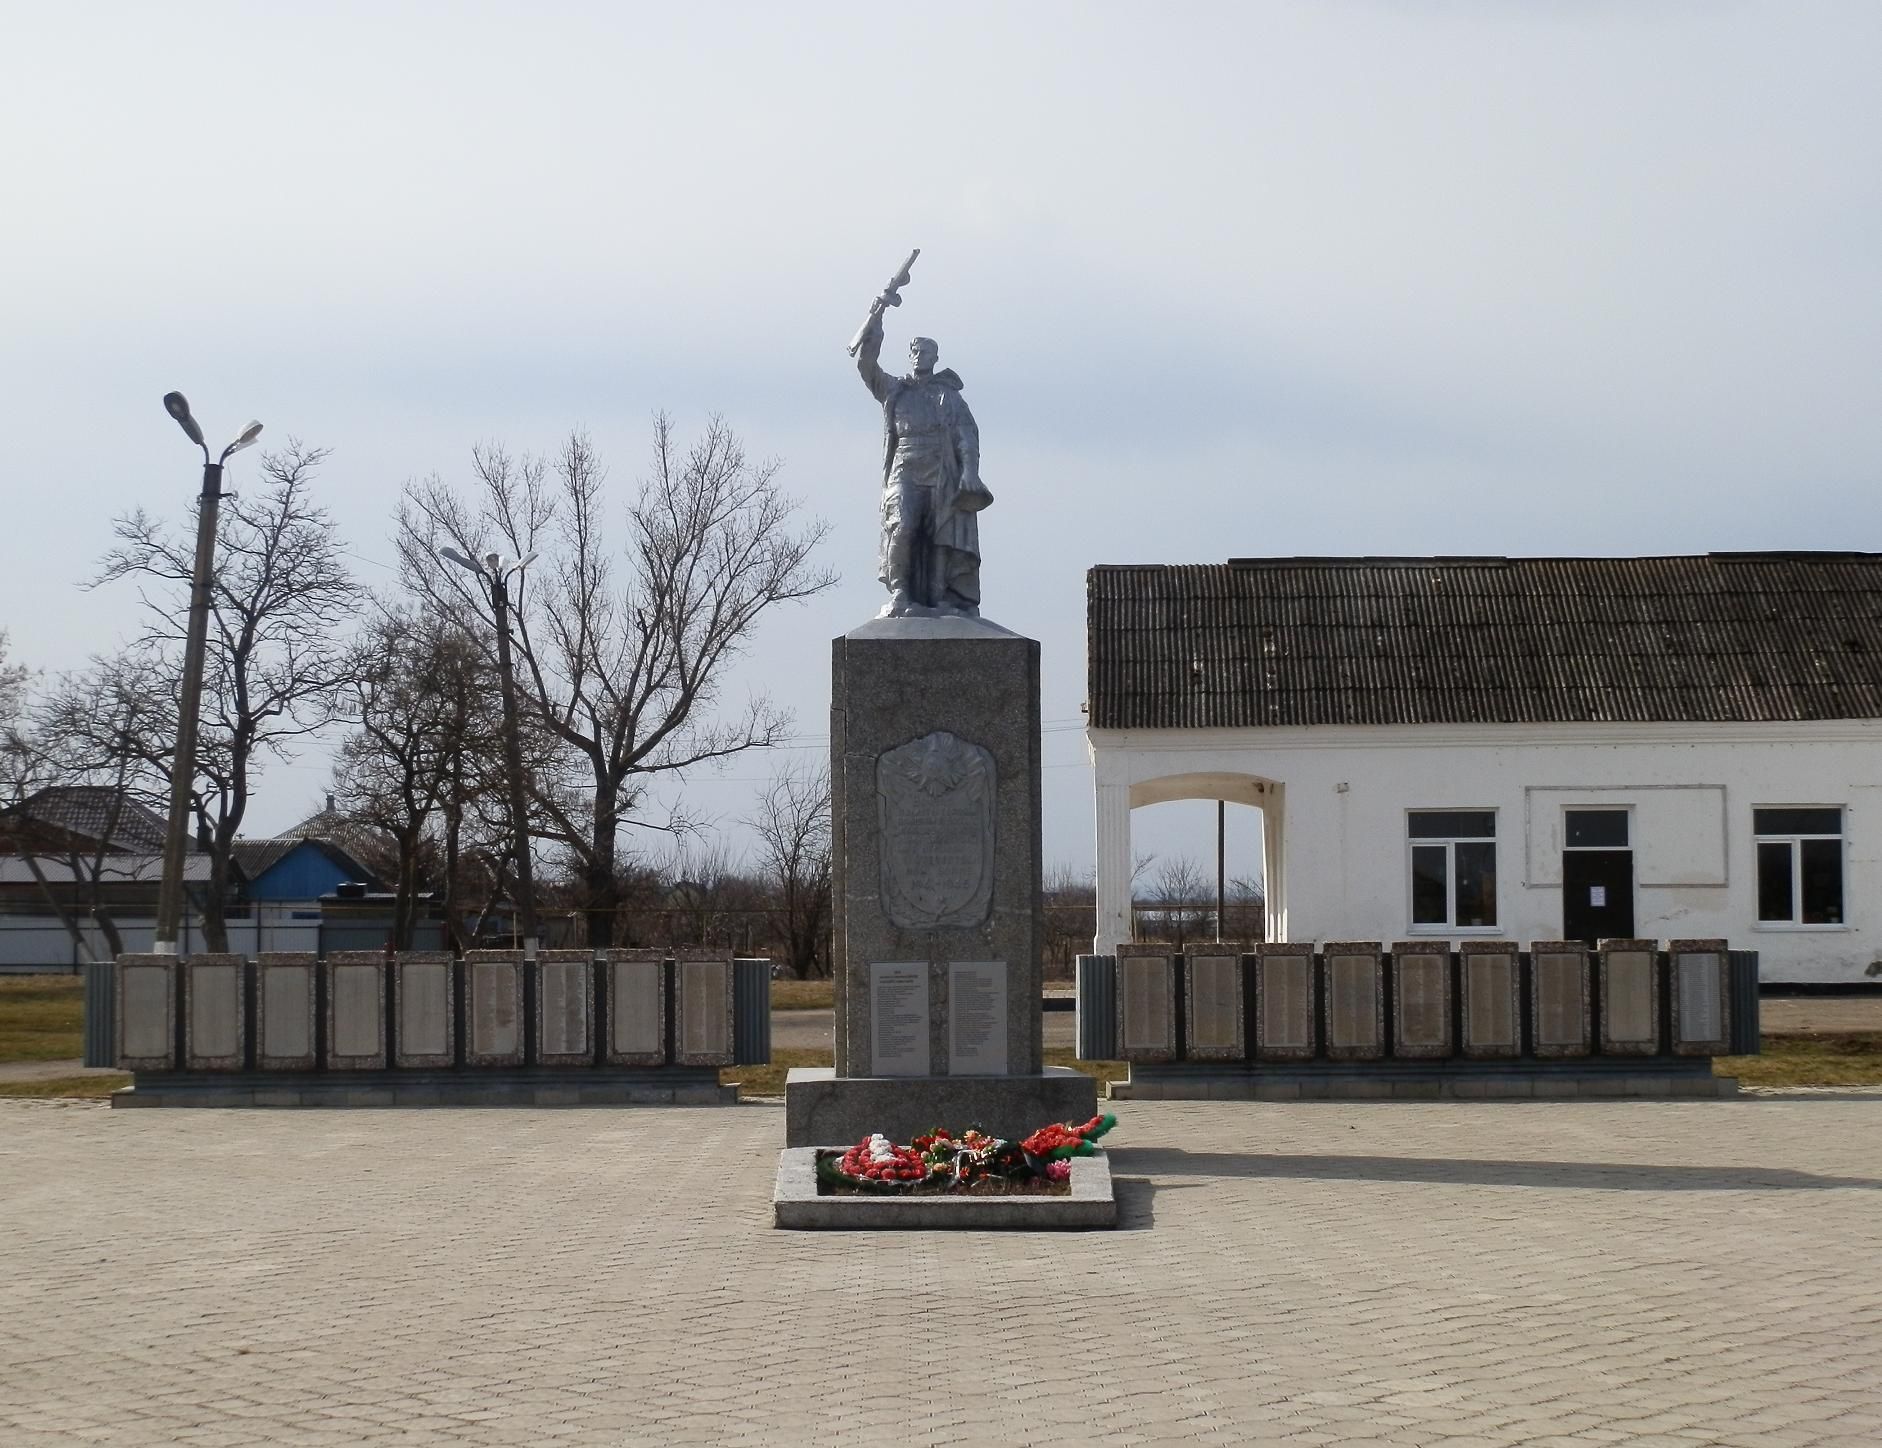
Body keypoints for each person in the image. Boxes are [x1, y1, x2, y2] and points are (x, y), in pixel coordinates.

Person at [853, 306, 991, 617]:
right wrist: (876, 323)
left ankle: (938, 597)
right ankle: (901, 589)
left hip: (941, 472)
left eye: (926, 352)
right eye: (915, 351)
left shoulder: (949, 397)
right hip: (905, 468)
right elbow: (867, 365)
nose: (920, 356)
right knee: (903, 525)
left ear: (935, 358)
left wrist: (969, 471)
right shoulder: (894, 390)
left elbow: (967, 435)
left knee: (941, 533)